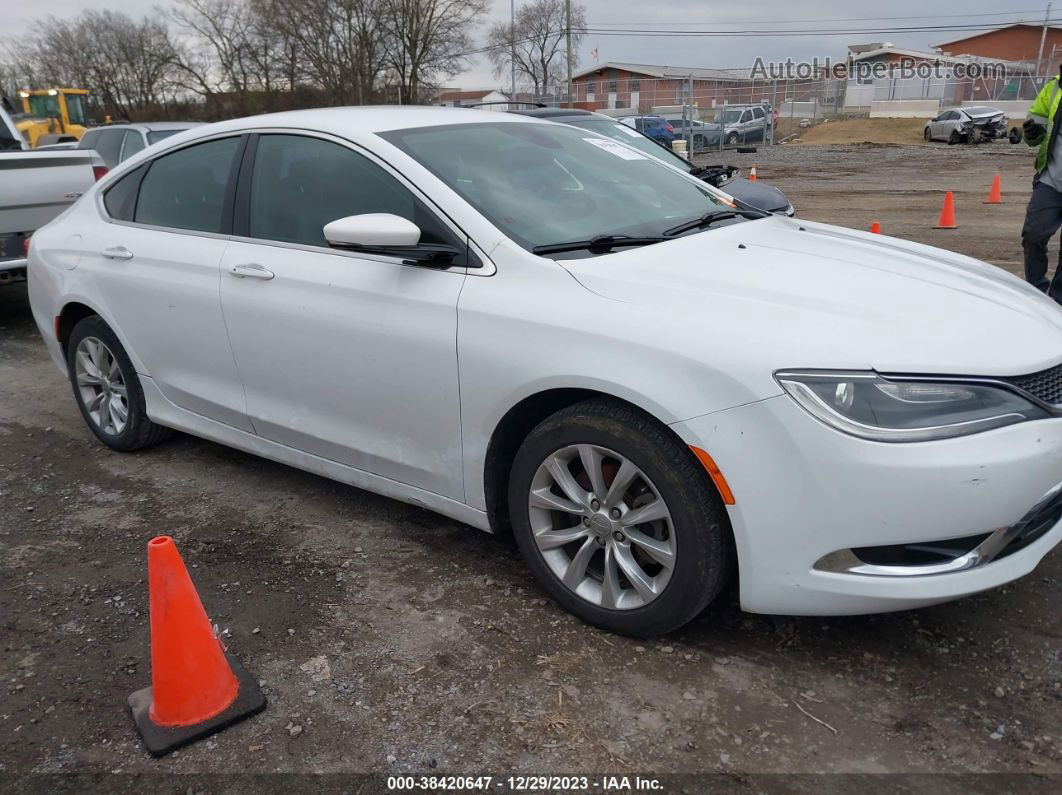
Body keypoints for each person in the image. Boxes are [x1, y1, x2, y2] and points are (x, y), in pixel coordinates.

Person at [1022, 66, 1062, 303]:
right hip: (1051, 180)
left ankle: (1057, 301)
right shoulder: (1054, 88)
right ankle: (1036, 294)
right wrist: (1031, 133)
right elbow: (1034, 134)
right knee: (1033, 235)